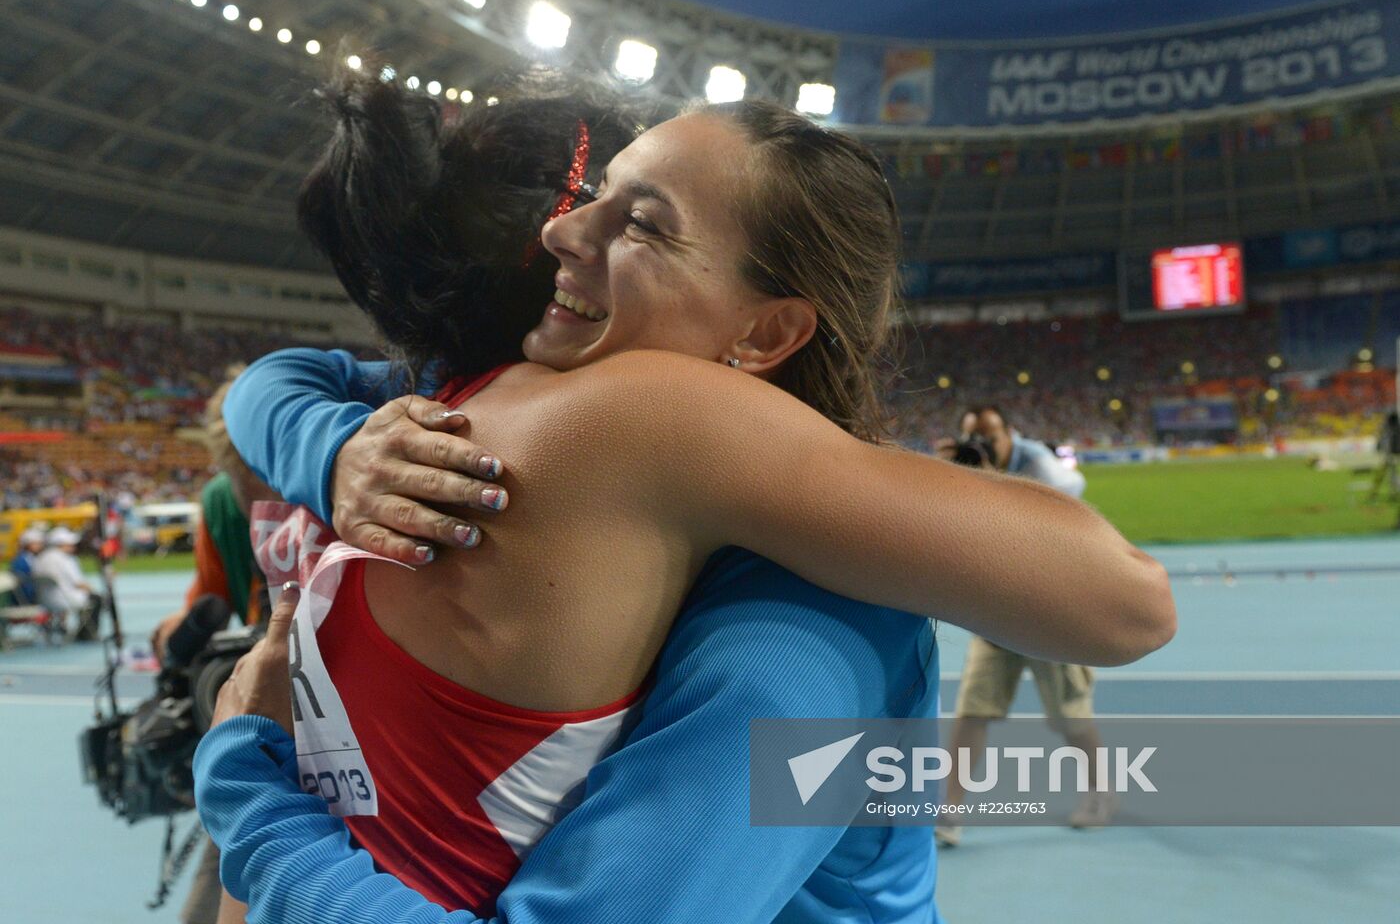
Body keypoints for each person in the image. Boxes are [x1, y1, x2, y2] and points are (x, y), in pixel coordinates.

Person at [195, 74, 1174, 924]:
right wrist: (334, 451)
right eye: (597, 192)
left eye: (644, 224)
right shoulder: (511, 403)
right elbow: (280, 380)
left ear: (759, 337)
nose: (559, 228)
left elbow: (1124, 600)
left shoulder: (800, 633)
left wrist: (247, 783)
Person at [937, 406, 1111, 847]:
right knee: (973, 711)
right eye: (975, 438)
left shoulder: (1038, 463)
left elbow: (1058, 517)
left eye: (991, 437)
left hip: (1051, 612)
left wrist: (995, 481)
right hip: (996, 612)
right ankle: (949, 811)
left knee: (1071, 717)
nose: (983, 447)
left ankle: (1098, 795)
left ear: (1011, 433)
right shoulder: (963, 471)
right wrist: (935, 477)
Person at [147, 367, 277, 924]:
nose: (262, 511)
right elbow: (207, 603)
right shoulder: (223, 502)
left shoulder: (344, 486)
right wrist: (173, 637)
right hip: (263, 714)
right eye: (246, 490)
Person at [31, 526, 99, 642]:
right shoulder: (65, 559)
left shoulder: (42, 557)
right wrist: (92, 590)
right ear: (61, 544)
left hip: (44, 600)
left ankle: (81, 632)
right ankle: (86, 634)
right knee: (97, 599)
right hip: (65, 599)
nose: (73, 546)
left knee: (87, 599)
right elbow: (78, 583)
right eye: (70, 544)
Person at [8, 527, 45, 605]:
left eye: (40, 543)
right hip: (26, 600)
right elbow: (22, 583)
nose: (39, 546)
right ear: (26, 544)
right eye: (35, 543)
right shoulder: (20, 561)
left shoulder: (33, 558)